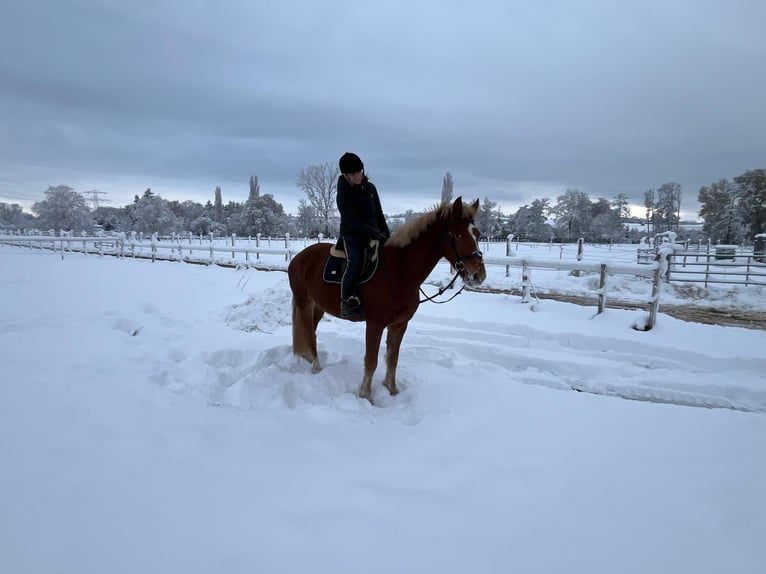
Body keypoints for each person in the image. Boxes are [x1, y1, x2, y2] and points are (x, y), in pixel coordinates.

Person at [336, 152, 390, 319]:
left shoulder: (371, 188)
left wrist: (386, 234)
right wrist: (373, 233)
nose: (358, 175)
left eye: (359, 171)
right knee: (356, 262)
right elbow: (351, 220)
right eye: (353, 174)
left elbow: (379, 214)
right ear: (346, 175)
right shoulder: (343, 193)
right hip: (352, 236)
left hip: (374, 233)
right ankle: (347, 300)